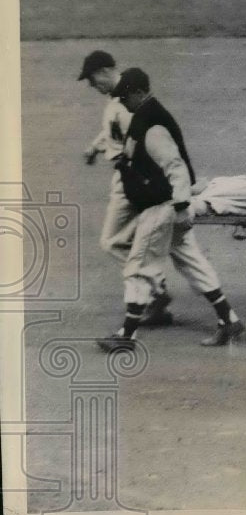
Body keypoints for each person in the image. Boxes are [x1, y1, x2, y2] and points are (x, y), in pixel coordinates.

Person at [95, 68, 244, 351]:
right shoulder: (145, 115)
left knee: (139, 267)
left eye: (126, 97)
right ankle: (229, 320)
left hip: (163, 206)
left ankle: (126, 336)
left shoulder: (153, 125)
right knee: (190, 261)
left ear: (140, 92)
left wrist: (180, 208)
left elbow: (175, 168)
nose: (122, 103)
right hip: (168, 204)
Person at [78, 51, 173, 324]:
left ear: (106, 71)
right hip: (131, 177)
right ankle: (156, 294)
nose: (91, 85)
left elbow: (142, 135)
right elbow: (115, 130)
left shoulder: (125, 100)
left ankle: (155, 290)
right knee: (141, 239)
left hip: (131, 179)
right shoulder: (119, 98)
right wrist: (96, 147)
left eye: (92, 79)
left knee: (111, 242)